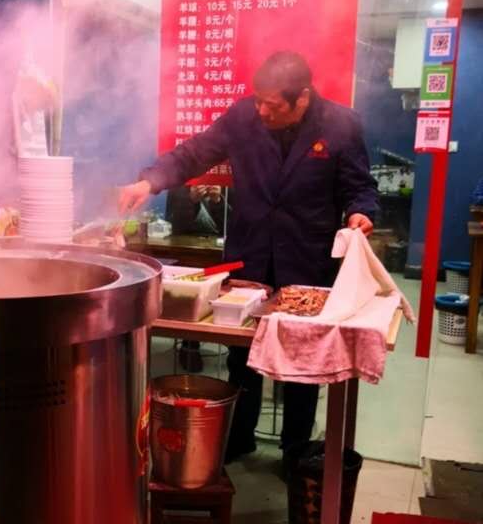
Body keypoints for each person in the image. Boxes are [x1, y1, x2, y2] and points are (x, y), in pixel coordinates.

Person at [119, 51, 379, 462]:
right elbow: (194, 153)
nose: (262, 111)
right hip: (250, 256)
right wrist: (149, 182)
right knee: (241, 357)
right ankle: (239, 438)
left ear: (302, 98)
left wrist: (361, 212)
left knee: (302, 361)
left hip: (307, 262)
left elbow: (359, 186)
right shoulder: (243, 117)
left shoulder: (340, 124)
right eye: (258, 101)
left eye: (272, 105)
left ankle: (295, 450)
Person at [165, 184, 231, 373]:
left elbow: (236, 225)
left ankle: (235, 346)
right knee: (189, 293)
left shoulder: (230, 183)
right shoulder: (179, 184)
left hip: (223, 252)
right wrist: (191, 201)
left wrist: (218, 202)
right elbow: (175, 224)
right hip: (188, 252)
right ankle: (190, 345)